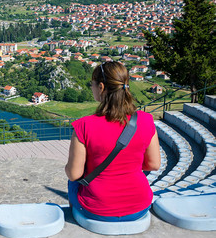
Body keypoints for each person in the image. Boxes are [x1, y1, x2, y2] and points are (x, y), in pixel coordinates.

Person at [65, 61, 161, 221]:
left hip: (97, 209)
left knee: (73, 182)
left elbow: (74, 174)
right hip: (139, 206)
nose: (92, 88)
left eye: (92, 84)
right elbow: (153, 164)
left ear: (101, 87)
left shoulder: (83, 125)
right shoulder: (146, 120)